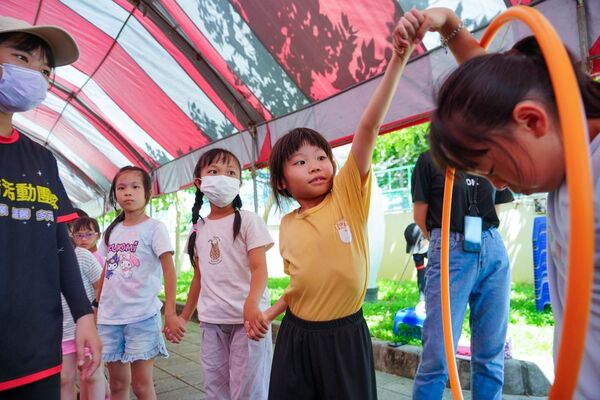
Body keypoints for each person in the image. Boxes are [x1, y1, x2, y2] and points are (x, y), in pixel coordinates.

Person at [399, 6, 600, 399]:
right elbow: (496, 93)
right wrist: (447, 24)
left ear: (532, 121)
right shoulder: (567, 168)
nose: (498, 183)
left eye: (491, 168)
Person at [254, 11, 423, 399]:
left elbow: (368, 128)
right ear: (282, 181)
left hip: (344, 336)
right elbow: (302, 286)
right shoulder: (289, 224)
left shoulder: (347, 194)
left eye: (320, 157)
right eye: (300, 162)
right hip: (297, 336)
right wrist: (269, 313)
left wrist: (398, 58)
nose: (315, 166)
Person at [0, 16, 101, 399]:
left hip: (38, 351)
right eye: (22, 58)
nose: (36, 76)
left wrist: (84, 316)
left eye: (45, 71)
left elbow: (62, 246)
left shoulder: (42, 159)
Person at [169, 148, 274, 399]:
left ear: (238, 182)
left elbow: (260, 269)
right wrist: (184, 317)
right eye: (214, 171)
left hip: (248, 322)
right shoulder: (198, 229)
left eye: (230, 173)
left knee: (248, 389)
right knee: (215, 389)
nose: (223, 177)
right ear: (200, 182)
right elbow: (199, 278)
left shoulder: (249, 220)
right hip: (212, 323)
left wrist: (251, 303)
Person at [411, 150, 513, 399]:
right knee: (438, 354)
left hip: (490, 244)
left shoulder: (491, 154)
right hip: (450, 244)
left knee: (491, 353)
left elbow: (497, 203)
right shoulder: (430, 159)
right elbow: (420, 216)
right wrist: (445, 243)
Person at [95, 166, 185, 400]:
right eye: (121, 188)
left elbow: (169, 270)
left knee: (141, 385)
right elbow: (107, 270)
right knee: (116, 385)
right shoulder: (112, 231)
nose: (128, 193)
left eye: (135, 187)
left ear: (148, 193)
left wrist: (171, 313)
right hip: (110, 319)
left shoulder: (155, 228)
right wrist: (96, 306)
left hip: (142, 317)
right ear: (115, 194)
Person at [60, 247, 106, 400]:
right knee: (65, 379)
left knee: (92, 375)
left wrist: (96, 312)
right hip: (61, 332)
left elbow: (101, 285)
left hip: (85, 326)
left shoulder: (82, 255)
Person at [404, 222, 429, 303]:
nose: (417, 251)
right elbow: (421, 273)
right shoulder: (416, 253)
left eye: (418, 247)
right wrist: (422, 299)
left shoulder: (438, 244)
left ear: (425, 237)